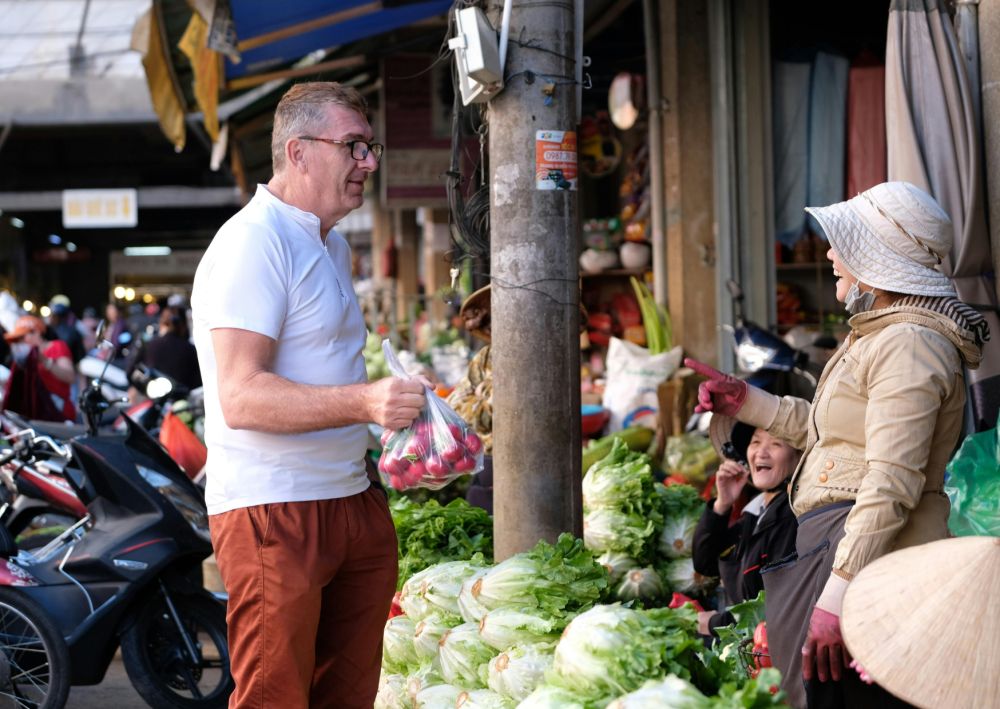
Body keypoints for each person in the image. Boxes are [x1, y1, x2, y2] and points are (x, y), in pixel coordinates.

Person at [687, 181, 989, 709]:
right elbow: (830, 435)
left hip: (862, 549)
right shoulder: (882, 333)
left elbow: (892, 480)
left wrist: (838, 593)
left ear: (879, 257)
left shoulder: (910, 343)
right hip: (841, 541)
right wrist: (743, 401)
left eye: (843, 244)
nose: (829, 254)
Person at [190, 81, 426, 709]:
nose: (368, 162)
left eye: (369, 146)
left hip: (348, 496)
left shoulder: (331, 242)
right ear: (298, 152)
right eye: (353, 146)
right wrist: (366, 403)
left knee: (347, 695)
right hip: (275, 508)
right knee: (275, 697)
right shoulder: (252, 242)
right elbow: (241, 397)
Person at [692, 416, 799, 637]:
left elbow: (776, 606)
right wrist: (722, 504)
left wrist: (715, 623)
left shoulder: (793, 518)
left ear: (800, 458)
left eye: (776, 444)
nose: (761, 452)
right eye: (756, 442)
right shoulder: (754, 514)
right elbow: (705, 564)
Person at [3, 315, 77, 421]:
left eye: (22, 337)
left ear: (36, 332)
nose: (20, 342)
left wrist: (45, 361)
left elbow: (70, 377)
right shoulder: (25, 358)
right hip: (36, 415)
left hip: (58, 414)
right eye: (17, 339)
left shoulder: (57, 346)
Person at [131, 305, 202, 391]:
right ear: (183, 325)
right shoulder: (190, 349)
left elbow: (133, 372)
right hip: (181, 397)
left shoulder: (150, 344)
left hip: (155, 395)